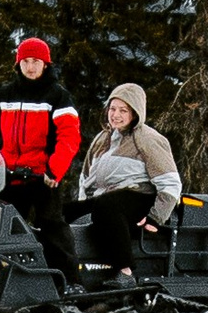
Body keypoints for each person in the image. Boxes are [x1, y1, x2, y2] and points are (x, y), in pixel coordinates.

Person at [0, 37, 84, 278]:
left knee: (51, 225)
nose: (30, 67)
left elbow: (69, 137)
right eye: (25, 61)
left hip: (43, 176)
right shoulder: (4, 95)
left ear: (46, 64)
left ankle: (70, 281)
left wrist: (55, 170)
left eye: (36, 61)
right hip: (9, 175)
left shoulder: (57, 96)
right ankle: (2, 279)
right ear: (18, 64)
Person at [75, 83, 183, 270]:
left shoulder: (148, 139)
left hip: (140, 198)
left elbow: (170, 182)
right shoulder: (102, 138)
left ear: (135, 113)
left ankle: (124, 271)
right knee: (60, 213)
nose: (115, 115)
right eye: (113, 109)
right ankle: (62, 276)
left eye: (123, 110)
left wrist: (155, 218)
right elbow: (85, 178)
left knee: (106, 205)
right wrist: (81, 209)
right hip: (106, 200)